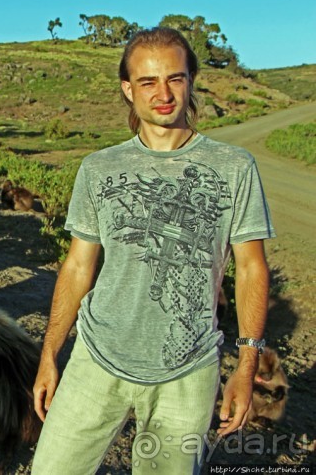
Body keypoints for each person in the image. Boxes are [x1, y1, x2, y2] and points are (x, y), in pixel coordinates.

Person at [30, 27, 275, 474]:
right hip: (96, 358)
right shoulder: (99, 169)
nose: (163, 94)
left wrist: (246, 363)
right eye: (147, 82)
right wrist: (50, 354)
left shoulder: (234, 168)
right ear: (128, 89)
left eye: (175, 78)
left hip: (188, 369)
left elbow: (252, 268)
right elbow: (78, 265)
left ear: (191, 80)